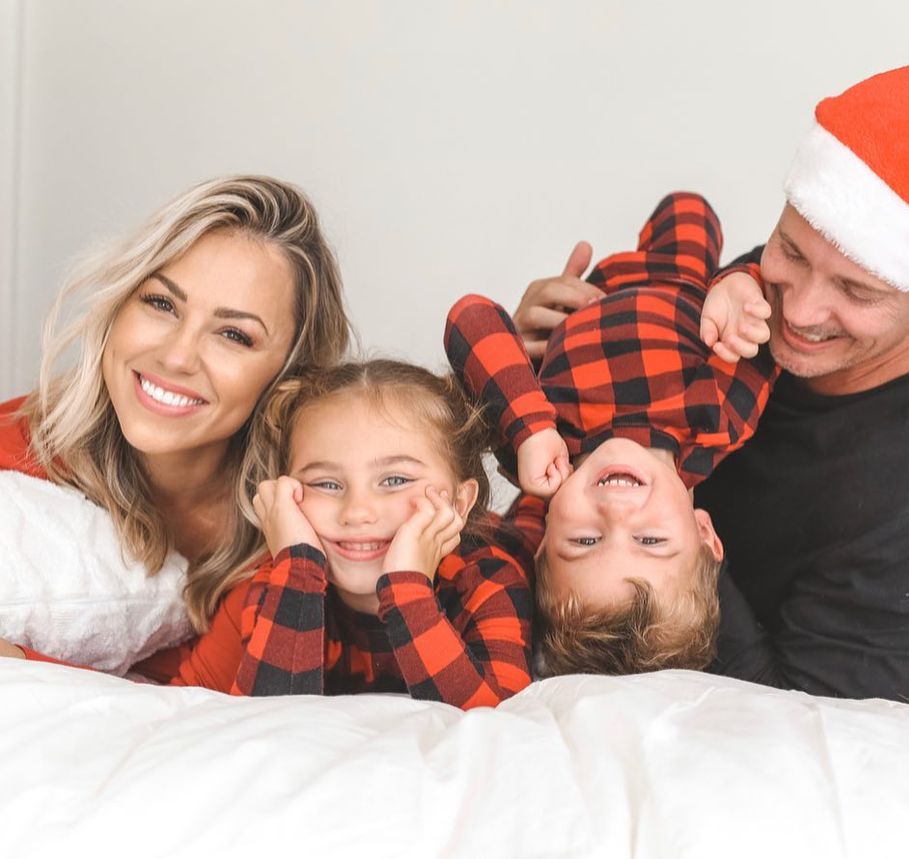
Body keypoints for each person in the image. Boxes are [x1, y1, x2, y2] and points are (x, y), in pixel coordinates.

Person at [509, 57, 909, 701]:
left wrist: (684, 556)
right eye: (791, 252)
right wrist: (550, 357)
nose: (798, 313)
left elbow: (809, 712)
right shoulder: (753, 294)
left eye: (855, 291)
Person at [0, 175, 354, 661]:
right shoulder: (20, 450)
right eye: (161, 303)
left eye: (234, 335)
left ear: (288, 376)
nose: (177, 356)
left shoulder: (301, 525)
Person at [446, 192, 777, 675]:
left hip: (584, 297)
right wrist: (738, 285)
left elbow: (469, 315)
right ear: (705, 534)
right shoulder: (720, 415)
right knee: (690, 212)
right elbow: (772, 321)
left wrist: (529, 425)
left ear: (541, 541)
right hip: (679, 276)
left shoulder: (535, 443)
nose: (617, 513)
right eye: (650, 541)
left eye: (583, 541)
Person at [134, 360, 541, 709]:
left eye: (395, 479)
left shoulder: (487, 580)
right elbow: (242, 722)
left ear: (459, 500)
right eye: (327, 484)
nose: (358, 512)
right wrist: (297, 573)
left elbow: (493, 725)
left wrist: (407, 590)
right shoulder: (279, 581)